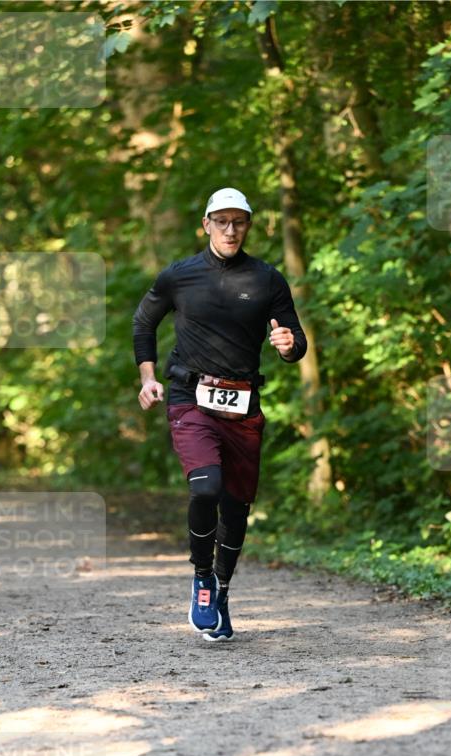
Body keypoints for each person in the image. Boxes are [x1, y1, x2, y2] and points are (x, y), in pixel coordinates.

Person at [133, 187, 307, 641]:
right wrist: (148, 377)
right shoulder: (180, 275)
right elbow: (144, 321)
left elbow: (296, 341)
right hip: (190, 398)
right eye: (222, 221)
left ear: (248, 226)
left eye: (239, 222)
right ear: (206, 225)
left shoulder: (267, 279)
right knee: (206, 486)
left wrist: (289, 346)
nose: (231, 230)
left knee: (236, 506)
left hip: (243, 405)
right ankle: (202, 579)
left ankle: (223, 590)